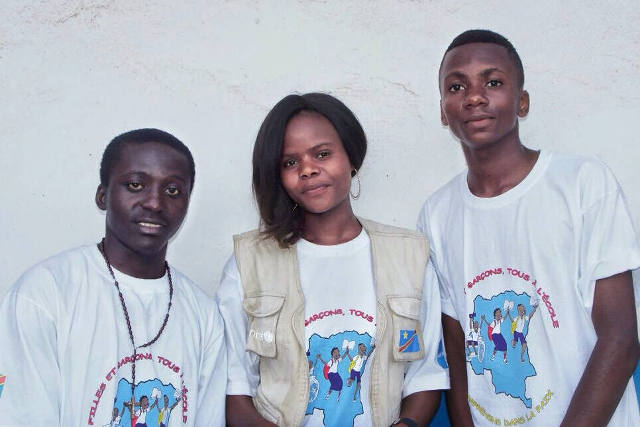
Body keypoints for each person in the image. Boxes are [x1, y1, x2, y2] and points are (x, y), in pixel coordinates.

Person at [418, 29, 640, 426]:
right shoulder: (437, 213)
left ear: (522, 102)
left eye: (493, 82)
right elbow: (458, 350)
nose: (474, 96)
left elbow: (620, 340)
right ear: (442, 111)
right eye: (456, 86)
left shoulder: (582, 183)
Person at [216, 93, 449, 427]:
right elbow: (235, 392)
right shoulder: (248, 263)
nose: (308, 169)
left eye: (322, 154)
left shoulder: (409, 256)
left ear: (351, 158)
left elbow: (425, 377)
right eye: (290, 162)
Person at [0, 128, 226, 425]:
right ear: (103, 196)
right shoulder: (44, 294)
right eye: (135, 185)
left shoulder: (204, 316)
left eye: (172, 190)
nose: (155, 203)